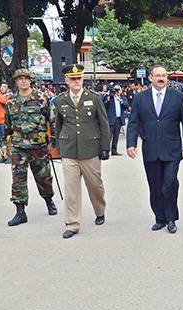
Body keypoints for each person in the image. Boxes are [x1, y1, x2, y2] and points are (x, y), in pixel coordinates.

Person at [127, 65, 183, 234]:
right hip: (151, 149)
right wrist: (131, 144)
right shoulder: (140, 98)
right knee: (155, 186)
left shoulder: (177, 97)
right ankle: (160, 218)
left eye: (164, 75)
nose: (161, 78)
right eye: (157, 75)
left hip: (172, 149)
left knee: (169, 183)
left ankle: (171, 218)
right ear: (150, 78)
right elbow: (133, 122)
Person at [54, 64, 111, 239]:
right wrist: (58, 148)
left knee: (95, 186)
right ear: (67, 81)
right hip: (69, 151)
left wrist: (105, 147)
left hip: (90, 150)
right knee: (71, 190)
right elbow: (58, 126)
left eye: (79, 78)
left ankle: (99, 211)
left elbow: (103, 124)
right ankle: (72, 224)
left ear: (82, 79)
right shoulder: (59, 100)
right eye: (73, 79)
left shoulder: (94, 98)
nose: (76, 81)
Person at [3, 68, 57, 226]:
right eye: (20, 79)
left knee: (44, 178)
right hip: (19, 147)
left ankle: (49, 200)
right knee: (18, 180)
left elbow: (52, 120)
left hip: (38, 146)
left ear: (30, 80)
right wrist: (5, 144)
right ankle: (20, 212)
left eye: (26, 78)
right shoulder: (11, 101)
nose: (23, 81)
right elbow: (8, 125)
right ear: (16, 82)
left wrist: (52, 141)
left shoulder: (41, 97)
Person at [103, 84, 128, 156]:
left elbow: (126, 106)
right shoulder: (110, 98)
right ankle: (106, 151)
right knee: (109, 136)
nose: (117, 92)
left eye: (118, 90)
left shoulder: (122, 98)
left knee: (116, 136)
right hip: (111, 119)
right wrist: (107, 97)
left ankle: (114, 150)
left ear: (121, 91)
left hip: (118, 119)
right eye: (116, 90)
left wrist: (120, 100)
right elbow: (104, 106)